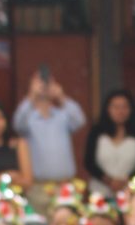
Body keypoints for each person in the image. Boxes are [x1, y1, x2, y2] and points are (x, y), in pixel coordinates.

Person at [12, 71, 86, 200]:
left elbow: (80, 120)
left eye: (48, 82)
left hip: (65, 186)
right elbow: (17, 124)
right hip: (38, 188)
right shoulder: (28, 118)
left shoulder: (62, 115)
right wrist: (31, 95)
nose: (44, 86)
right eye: (39, 82)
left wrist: (61, 97)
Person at [83, 88, 135, 190]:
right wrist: (109, 181)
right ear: (108, 109)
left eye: (124, 107)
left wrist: (128, 179)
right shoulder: (97, 131)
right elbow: (89, 162)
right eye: (116, 107)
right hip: (100, 192)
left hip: (133, 190)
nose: (120, 111)